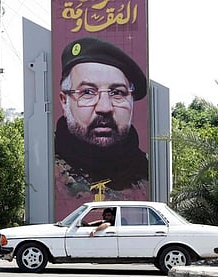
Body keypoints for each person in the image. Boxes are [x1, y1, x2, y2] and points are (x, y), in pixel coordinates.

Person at [55, 37, 149, 218]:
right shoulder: (47, 172)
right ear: (64, 101)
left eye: (117, 93)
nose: (104, 108)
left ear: (131, 101)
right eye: (88, 92)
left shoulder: (147, 172)